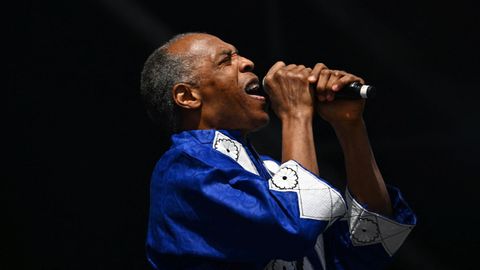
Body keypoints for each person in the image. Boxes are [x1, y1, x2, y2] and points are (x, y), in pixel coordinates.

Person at [140, 32, 416, 270]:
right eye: (227, 60)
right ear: (187, 97)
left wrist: (349, 126)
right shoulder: (184, 169)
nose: (247, 62)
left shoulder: (273, 173)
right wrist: (296, 113)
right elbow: (295, 224)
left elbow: (370, 242)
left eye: (239, 56)